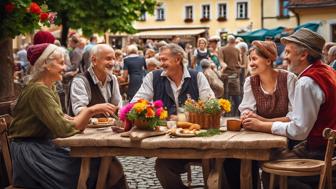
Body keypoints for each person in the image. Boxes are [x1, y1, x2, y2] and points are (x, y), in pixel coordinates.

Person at [8, 43, 125, 189]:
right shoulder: (39, 90)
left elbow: (60, 119)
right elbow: (63, 130)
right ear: (46, 64)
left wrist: (65, 117)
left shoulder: (48, 87)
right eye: (61, 63)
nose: (65, 68)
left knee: (108, 163)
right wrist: (91, 110)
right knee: (97, 166)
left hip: (43, 146)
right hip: (32, 153)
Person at [242, 28, 336, 187]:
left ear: (303, 55)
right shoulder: (327, 70)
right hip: (327, 147)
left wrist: (262, 125)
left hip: (321, 151)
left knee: (268, 164)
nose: (284, 57)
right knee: (274, 156)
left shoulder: (306, 82)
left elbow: (299, 130)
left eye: (287, 52)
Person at [132, 43, 214, 188]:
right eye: (160, 59)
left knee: (220, 164)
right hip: (169, 143)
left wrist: (188, 118)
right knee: (162, 167)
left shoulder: (197, 77)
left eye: (164, 60)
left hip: (199, 143)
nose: (161, 64)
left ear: (178, 59)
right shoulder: (153, 77)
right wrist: (150, 113)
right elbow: (136, 103)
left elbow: (211, 106)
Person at [224, 40, 297, 189]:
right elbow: (247, 109)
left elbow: (294, 116)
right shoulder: (250, 82)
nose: (250, 63)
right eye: (250, 59)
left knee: (272, 162)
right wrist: (246, 116)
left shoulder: (288, 79)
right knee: (232, 160)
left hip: (285, 138)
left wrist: (262, 120)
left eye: (254, 59)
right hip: (257, 136)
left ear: (269, 60)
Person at [69, 44, 123, 117]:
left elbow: (117, 106)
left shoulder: (113, 79)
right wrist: (97, 109)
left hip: (108, 127)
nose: (112, 63)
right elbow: (78, 111)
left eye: (114, 59)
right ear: (94, 60)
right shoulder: (80, 81)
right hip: (86, 128)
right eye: (108, 59)